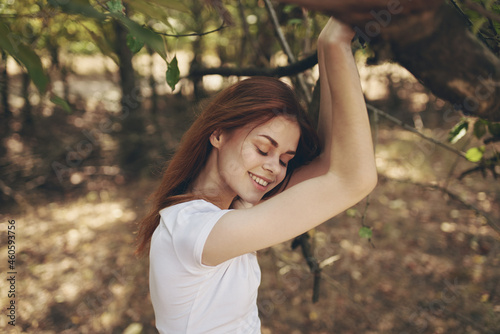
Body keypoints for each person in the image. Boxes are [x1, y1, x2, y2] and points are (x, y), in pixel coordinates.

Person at [135, 17, 377, 334]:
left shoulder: (229, 208)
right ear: (218, 134)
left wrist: (326, 46)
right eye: (263, 149)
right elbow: (355, 178)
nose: (274, 168)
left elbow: (331, 165)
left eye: (285, 159)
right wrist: (335, 43)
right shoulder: (193, 231)